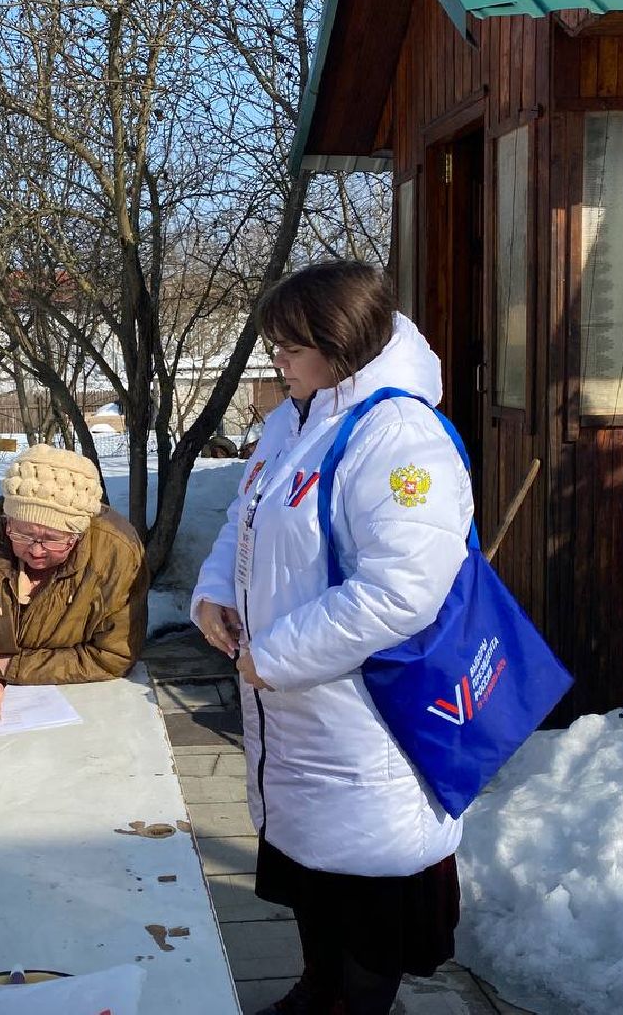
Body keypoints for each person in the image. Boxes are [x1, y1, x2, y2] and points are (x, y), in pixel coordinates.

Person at [191, 261, 473, 1015]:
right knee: (315, 884)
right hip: (296, 719)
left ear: (340, 346)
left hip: (365, 725)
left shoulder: (398, 434)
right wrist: (214, 591)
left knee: (366, 915)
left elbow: (403, 588)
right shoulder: (298, 416)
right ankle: (314, 993)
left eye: (289, 349)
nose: (277, 364)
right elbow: (243, 517)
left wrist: (277, 655)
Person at [0, 443, 147, 722]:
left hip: (91, 711)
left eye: (53, 539)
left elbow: (113, 655)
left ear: (78, 534)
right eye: (23, 535)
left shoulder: (116, 554)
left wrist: (10, 666)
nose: (36, 550)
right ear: (7, 521)